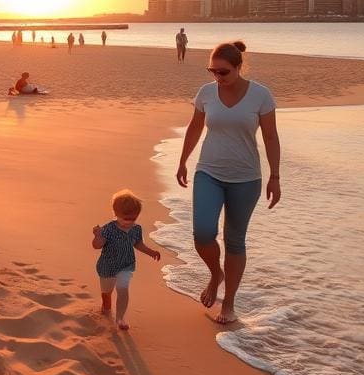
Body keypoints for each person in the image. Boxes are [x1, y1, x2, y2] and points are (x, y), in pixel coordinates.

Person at [175, 40, 281, 324]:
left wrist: (275, 176)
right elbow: (195, 127)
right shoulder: (206, 93)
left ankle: (229, 303)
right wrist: (183, 161)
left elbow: (271, 137)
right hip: (208, 172)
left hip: (246, 178)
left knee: (235, 241)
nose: (217, 77)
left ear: (238, 67)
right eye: (212, 71)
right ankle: (215, 275)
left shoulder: (260, 95)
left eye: (223, 72)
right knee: (203, 234)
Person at [91, 190, 161, 331]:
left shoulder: (136, 229)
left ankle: (120, 318)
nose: (129, 222)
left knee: (123, 290)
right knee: (107, 293)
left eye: (133, 218)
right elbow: (96, 246)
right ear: (116, 213)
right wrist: (97, 236)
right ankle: (106, 306)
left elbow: (138, 244)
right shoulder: (108, 229)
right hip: (107, 266)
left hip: (126, 265)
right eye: (126, 218)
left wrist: (151, 252)